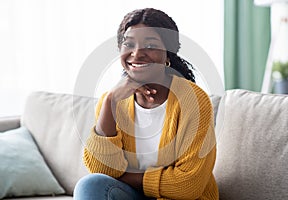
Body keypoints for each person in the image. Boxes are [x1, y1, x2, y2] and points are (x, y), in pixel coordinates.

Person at [74, 8, 219, 200]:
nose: (137, 53)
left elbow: (188, 186)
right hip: (132, 196)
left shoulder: (194, 100)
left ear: (168, 54)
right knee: (90, 185)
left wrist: (127, 177)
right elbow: (101, 170)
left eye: (150, 46)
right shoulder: (112, 99)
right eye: (129, 44)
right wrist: (110, 102)